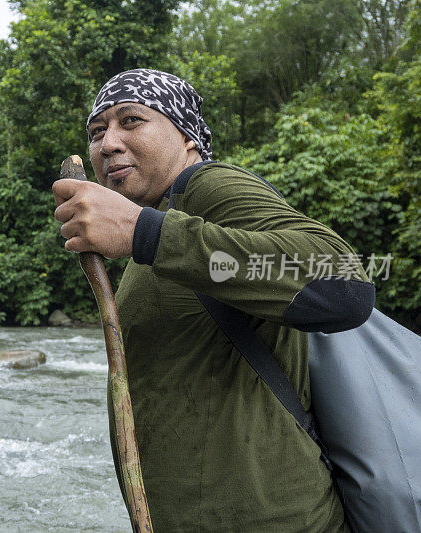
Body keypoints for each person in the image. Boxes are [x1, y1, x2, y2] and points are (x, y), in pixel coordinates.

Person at [52, 69, 375, 531]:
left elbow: (343, 284)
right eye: (97, 131)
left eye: (131, 121)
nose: (108, 144)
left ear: (186, 137)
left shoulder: (207, 186)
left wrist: (142, 232)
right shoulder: (155, 227)